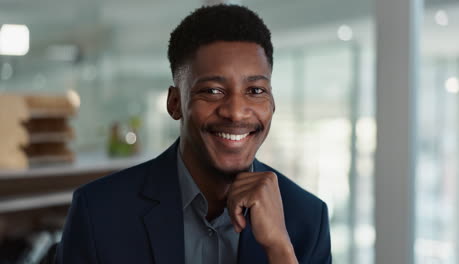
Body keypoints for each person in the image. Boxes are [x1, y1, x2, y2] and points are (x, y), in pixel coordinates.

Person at [56, 4, 331, 264]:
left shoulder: (306, 218)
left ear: (272, 103)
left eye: (255, 91)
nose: (236, 112)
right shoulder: (99, 212)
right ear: (174, 103)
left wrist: (279, 249)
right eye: (213, 91)